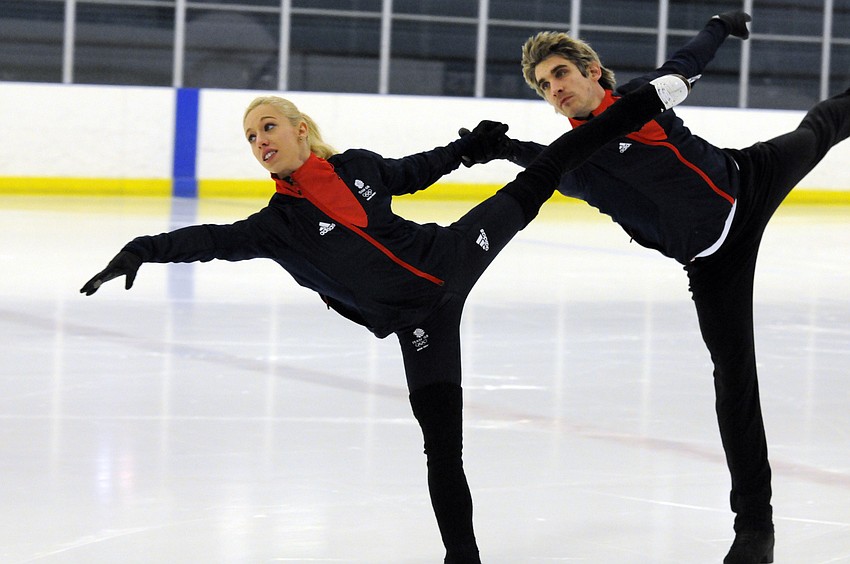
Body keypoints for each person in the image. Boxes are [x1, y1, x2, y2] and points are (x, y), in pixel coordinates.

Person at [79, 78, 690, 562]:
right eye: (249, 137)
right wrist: (142, 248)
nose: (259, 139)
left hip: (452, 254)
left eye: (267, 126)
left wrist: (472, 147)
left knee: (542, 175)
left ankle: (638, 106)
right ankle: (463, 558)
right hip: (418, 323)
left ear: (299, 130)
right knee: (441, 447)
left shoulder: (360, 168)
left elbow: (416, 170)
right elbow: (206, 238)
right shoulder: (275, 226)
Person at [504, 9, 850, 564]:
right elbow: (537, 164)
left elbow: (688, 60)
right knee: (735, 382)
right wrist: (491, 146)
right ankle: (755, 528)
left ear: (592, 70)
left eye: (561, 73)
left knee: (818, 130)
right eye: (544, 86)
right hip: (713, 263)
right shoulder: (574, 159)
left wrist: (719, 25)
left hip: (748, 183)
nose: (555, 90)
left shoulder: (645, 99)